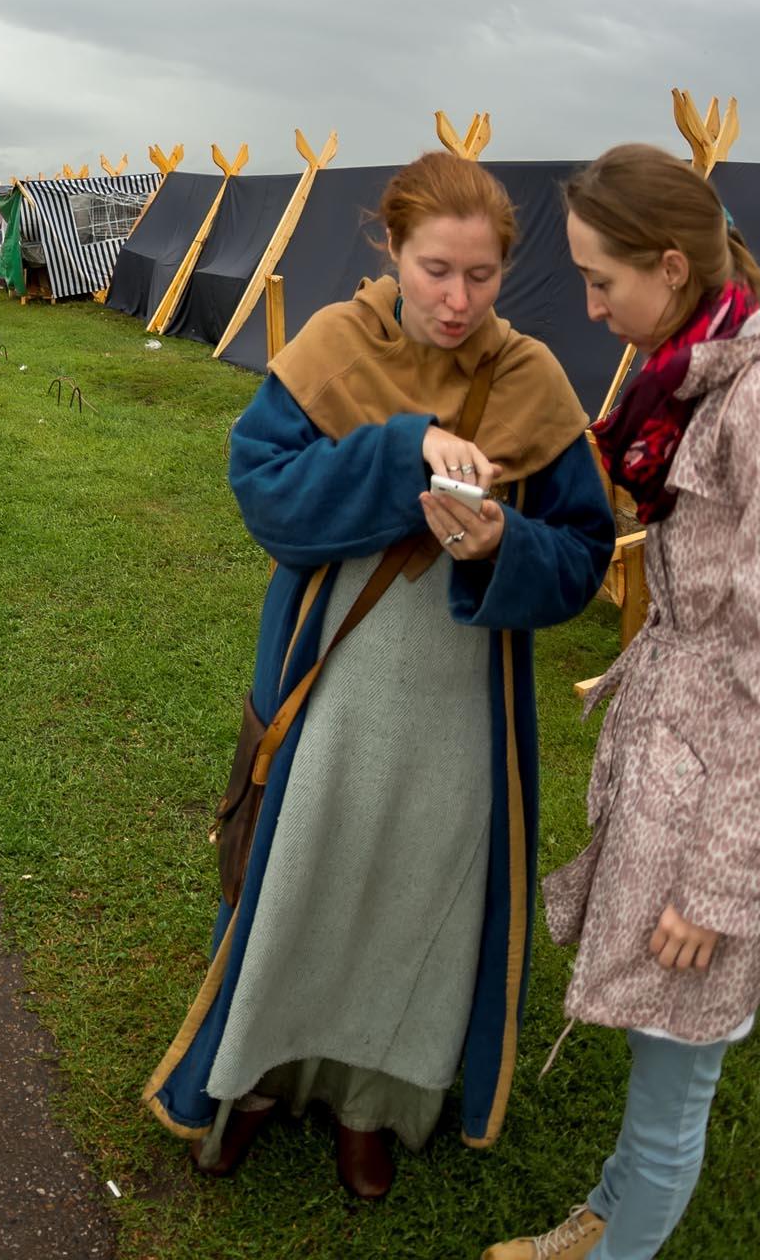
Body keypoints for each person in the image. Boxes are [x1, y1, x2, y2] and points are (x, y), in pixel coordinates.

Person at [145, 153, 614, 1198]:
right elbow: (264, 494)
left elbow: (585, 552)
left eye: (482, 275)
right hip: (332, 695)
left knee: (414, 906)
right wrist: (407, 453)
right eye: (436, 268)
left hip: (458, 713)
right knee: (300, 885)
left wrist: (501, 544)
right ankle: (252, 1082)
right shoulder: (331, 348)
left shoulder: (535, 382)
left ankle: (373, 1102)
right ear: (391, 252)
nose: (457, 299)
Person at [486, 144, 760, 1260]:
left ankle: (619, 1241)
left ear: (673, 263)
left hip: (724, 813)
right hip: (684, 764)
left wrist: (720, 883)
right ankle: (602, 1219)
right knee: (654, 1051)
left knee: (673, 1093)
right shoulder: (693, 374)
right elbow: (711, 592)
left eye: (604, 281)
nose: (592, 308)